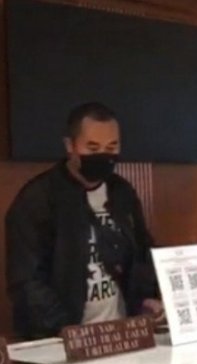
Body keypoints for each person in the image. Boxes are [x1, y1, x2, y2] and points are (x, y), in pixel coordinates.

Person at [6, 102, 162, 340]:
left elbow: (142, 251)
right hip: (61, 341)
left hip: (122, 334)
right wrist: (65, 330)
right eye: (92, 147)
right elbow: (26, 280)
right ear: (70, 146)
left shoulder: (122, 192)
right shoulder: (38, 199)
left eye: (112, 147)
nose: (103, 155)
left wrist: (147, 298)